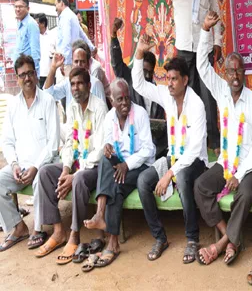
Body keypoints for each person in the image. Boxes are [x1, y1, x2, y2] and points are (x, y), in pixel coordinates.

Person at [193, 12, 252, 265]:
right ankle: (230, 237)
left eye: (239, 71)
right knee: (200, 186)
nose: (234, 76)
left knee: (244, 195)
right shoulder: (221, 91)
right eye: (230, 71)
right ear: (224, 73)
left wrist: (240, 174)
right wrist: (205, 30)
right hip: (226, 162)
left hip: (251, 166)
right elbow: (202, 67)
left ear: (245, 72)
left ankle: (221, 244)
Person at [133, 35, 208, 264]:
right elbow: (139, 84)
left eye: (174, 79)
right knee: (143, 181)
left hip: (194, 162)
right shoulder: (166, 94)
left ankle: (192, 239)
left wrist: (169, 174)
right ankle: (160, 237)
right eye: (168, 79)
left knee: (183, 177)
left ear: (185, 80)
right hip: (172, 157)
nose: (170, 83)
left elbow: (194, 149)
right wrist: (139, 54)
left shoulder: (196, 105)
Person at [149, 0, 220, 156]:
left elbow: (214, 8)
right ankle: (187, 140)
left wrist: (217, 42)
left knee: (207, 95)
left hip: (204, 45)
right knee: (183, 94)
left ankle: (214, 143)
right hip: (183, 48)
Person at [33, 67, 107, 263]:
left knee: (80, 179)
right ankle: (58, 231)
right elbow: (69, 143)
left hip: (94, 168)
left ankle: (74, 233)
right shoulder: (72, 107)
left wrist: (74, 174)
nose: (75, 88)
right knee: (44, 173)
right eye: (72, 84)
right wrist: (65, 169)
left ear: (89, 86)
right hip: (75, 163)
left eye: (80, 83)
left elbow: (99, 150)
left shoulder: (99, 107)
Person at [81, 79, 155, 270]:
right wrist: (107, 148)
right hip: (119, 162)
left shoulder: (140, 114)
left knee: (116, 186)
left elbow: (148, 150)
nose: (124, 103)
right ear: (111, 100)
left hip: (140, 165)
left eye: (127, 98)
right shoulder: (109, 118)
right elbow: (109, 144)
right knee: (105, 159)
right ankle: (100, 215)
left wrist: (126, 165)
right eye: (119, 99)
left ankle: (112, 242)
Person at [0, 55, 59, 252]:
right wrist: (14, 164)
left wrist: (35, 167)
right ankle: (18, 227)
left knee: (40, 177)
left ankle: (38, 229)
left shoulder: (48, 101)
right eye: (22, 75)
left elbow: (53, 144)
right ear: (16, 78)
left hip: (43, 165)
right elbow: (7, 141)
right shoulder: (13, 106)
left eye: (30, 73)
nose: (27, 78)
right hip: (20, 166)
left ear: (35, 75)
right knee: (0, 179)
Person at [110, 17, 167, 158]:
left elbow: (160, 124)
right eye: (143, 71)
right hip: (133, 144)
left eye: (149, 72)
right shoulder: (130, 79)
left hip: (154, 147)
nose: (146, 75)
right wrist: (113, 36)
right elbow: (117, 63)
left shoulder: (157, 92)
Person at [43, 41, 106, 115]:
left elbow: (103, 112)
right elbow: (48, 95)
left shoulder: (95, 84)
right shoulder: (67, 82)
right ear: (72, 63)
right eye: (76, 61)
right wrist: (53, 68)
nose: (79, 65)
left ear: (88, 64)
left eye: (82, 62)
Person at [55, 0, 95, 75]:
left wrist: (63, 61)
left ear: (61, 3)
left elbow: (66, 40)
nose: (55, 8)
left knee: (65, 86)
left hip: (67, 62)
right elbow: (82, 35)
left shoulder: (65, 16)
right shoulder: (72, 16)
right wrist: (92, 47)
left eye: (56, 5)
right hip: (74, 59)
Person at [12, 0, 40, 74]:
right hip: (20, 72)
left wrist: (35, 73)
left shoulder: (31, 24)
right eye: (16, 6)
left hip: (28, 73)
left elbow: (35, 52)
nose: (17, 9)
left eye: (20, 7)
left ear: (28, 9)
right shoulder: (20, 24)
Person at [37, 14, 57, 89]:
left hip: (50, 70)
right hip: (39, 71)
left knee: (51, 92)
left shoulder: (52, 35)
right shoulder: (35, 36)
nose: (36, 25)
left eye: (37, 23)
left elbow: (57, 50)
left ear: (43, 24)